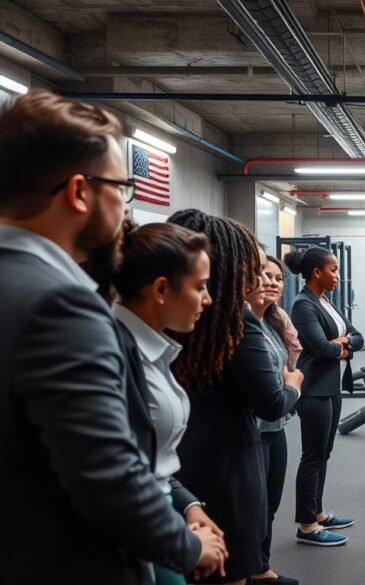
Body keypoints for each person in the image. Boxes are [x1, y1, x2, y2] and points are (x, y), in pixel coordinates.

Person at [0, 89, 224, 585]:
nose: (125, 207)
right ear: (80, 192)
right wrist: (189, 547)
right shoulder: (60, 304)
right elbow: (107, 476)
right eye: (122, 188)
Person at [170, 211, 302, 585]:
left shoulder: (179, 323)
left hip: (184, 465)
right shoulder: (234, 324)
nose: (260, 278)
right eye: (253, 268)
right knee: (228, 569)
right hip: (228, 464)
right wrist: (293, 384)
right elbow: (271, 403)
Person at [111, 223, 229, 585]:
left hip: (160, 511)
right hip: (139, 527)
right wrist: (186, 546)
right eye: (200, 286)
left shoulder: (151, 350)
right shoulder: (113, 351)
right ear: (161, 289)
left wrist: (187, 504)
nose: (207, 300)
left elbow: (151, 459)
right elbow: (114, 474)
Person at [285, 246, 364, 546]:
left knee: (324, 453)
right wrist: (340, 346)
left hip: (332, 386)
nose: (338, 276)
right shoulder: (303, 305)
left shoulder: (325, 300)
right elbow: (321, 348)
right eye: (334, 270)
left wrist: (341, 342)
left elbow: (357, 336)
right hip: (314, 389)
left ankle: (317, 512)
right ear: (317, 272)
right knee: (312, 455)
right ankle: (307, 526)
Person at [250, 255, 302, 585]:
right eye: (264, 274)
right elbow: (283, 381)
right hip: (254, 429)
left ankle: (261, 566)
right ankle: (249, 568)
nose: (272, 282)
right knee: (253, 505)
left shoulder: (271, 321)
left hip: (276, 425)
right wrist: (292, 387)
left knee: (270, 502)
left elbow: (289, 363)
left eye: (278, 278)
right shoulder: (242, 327)